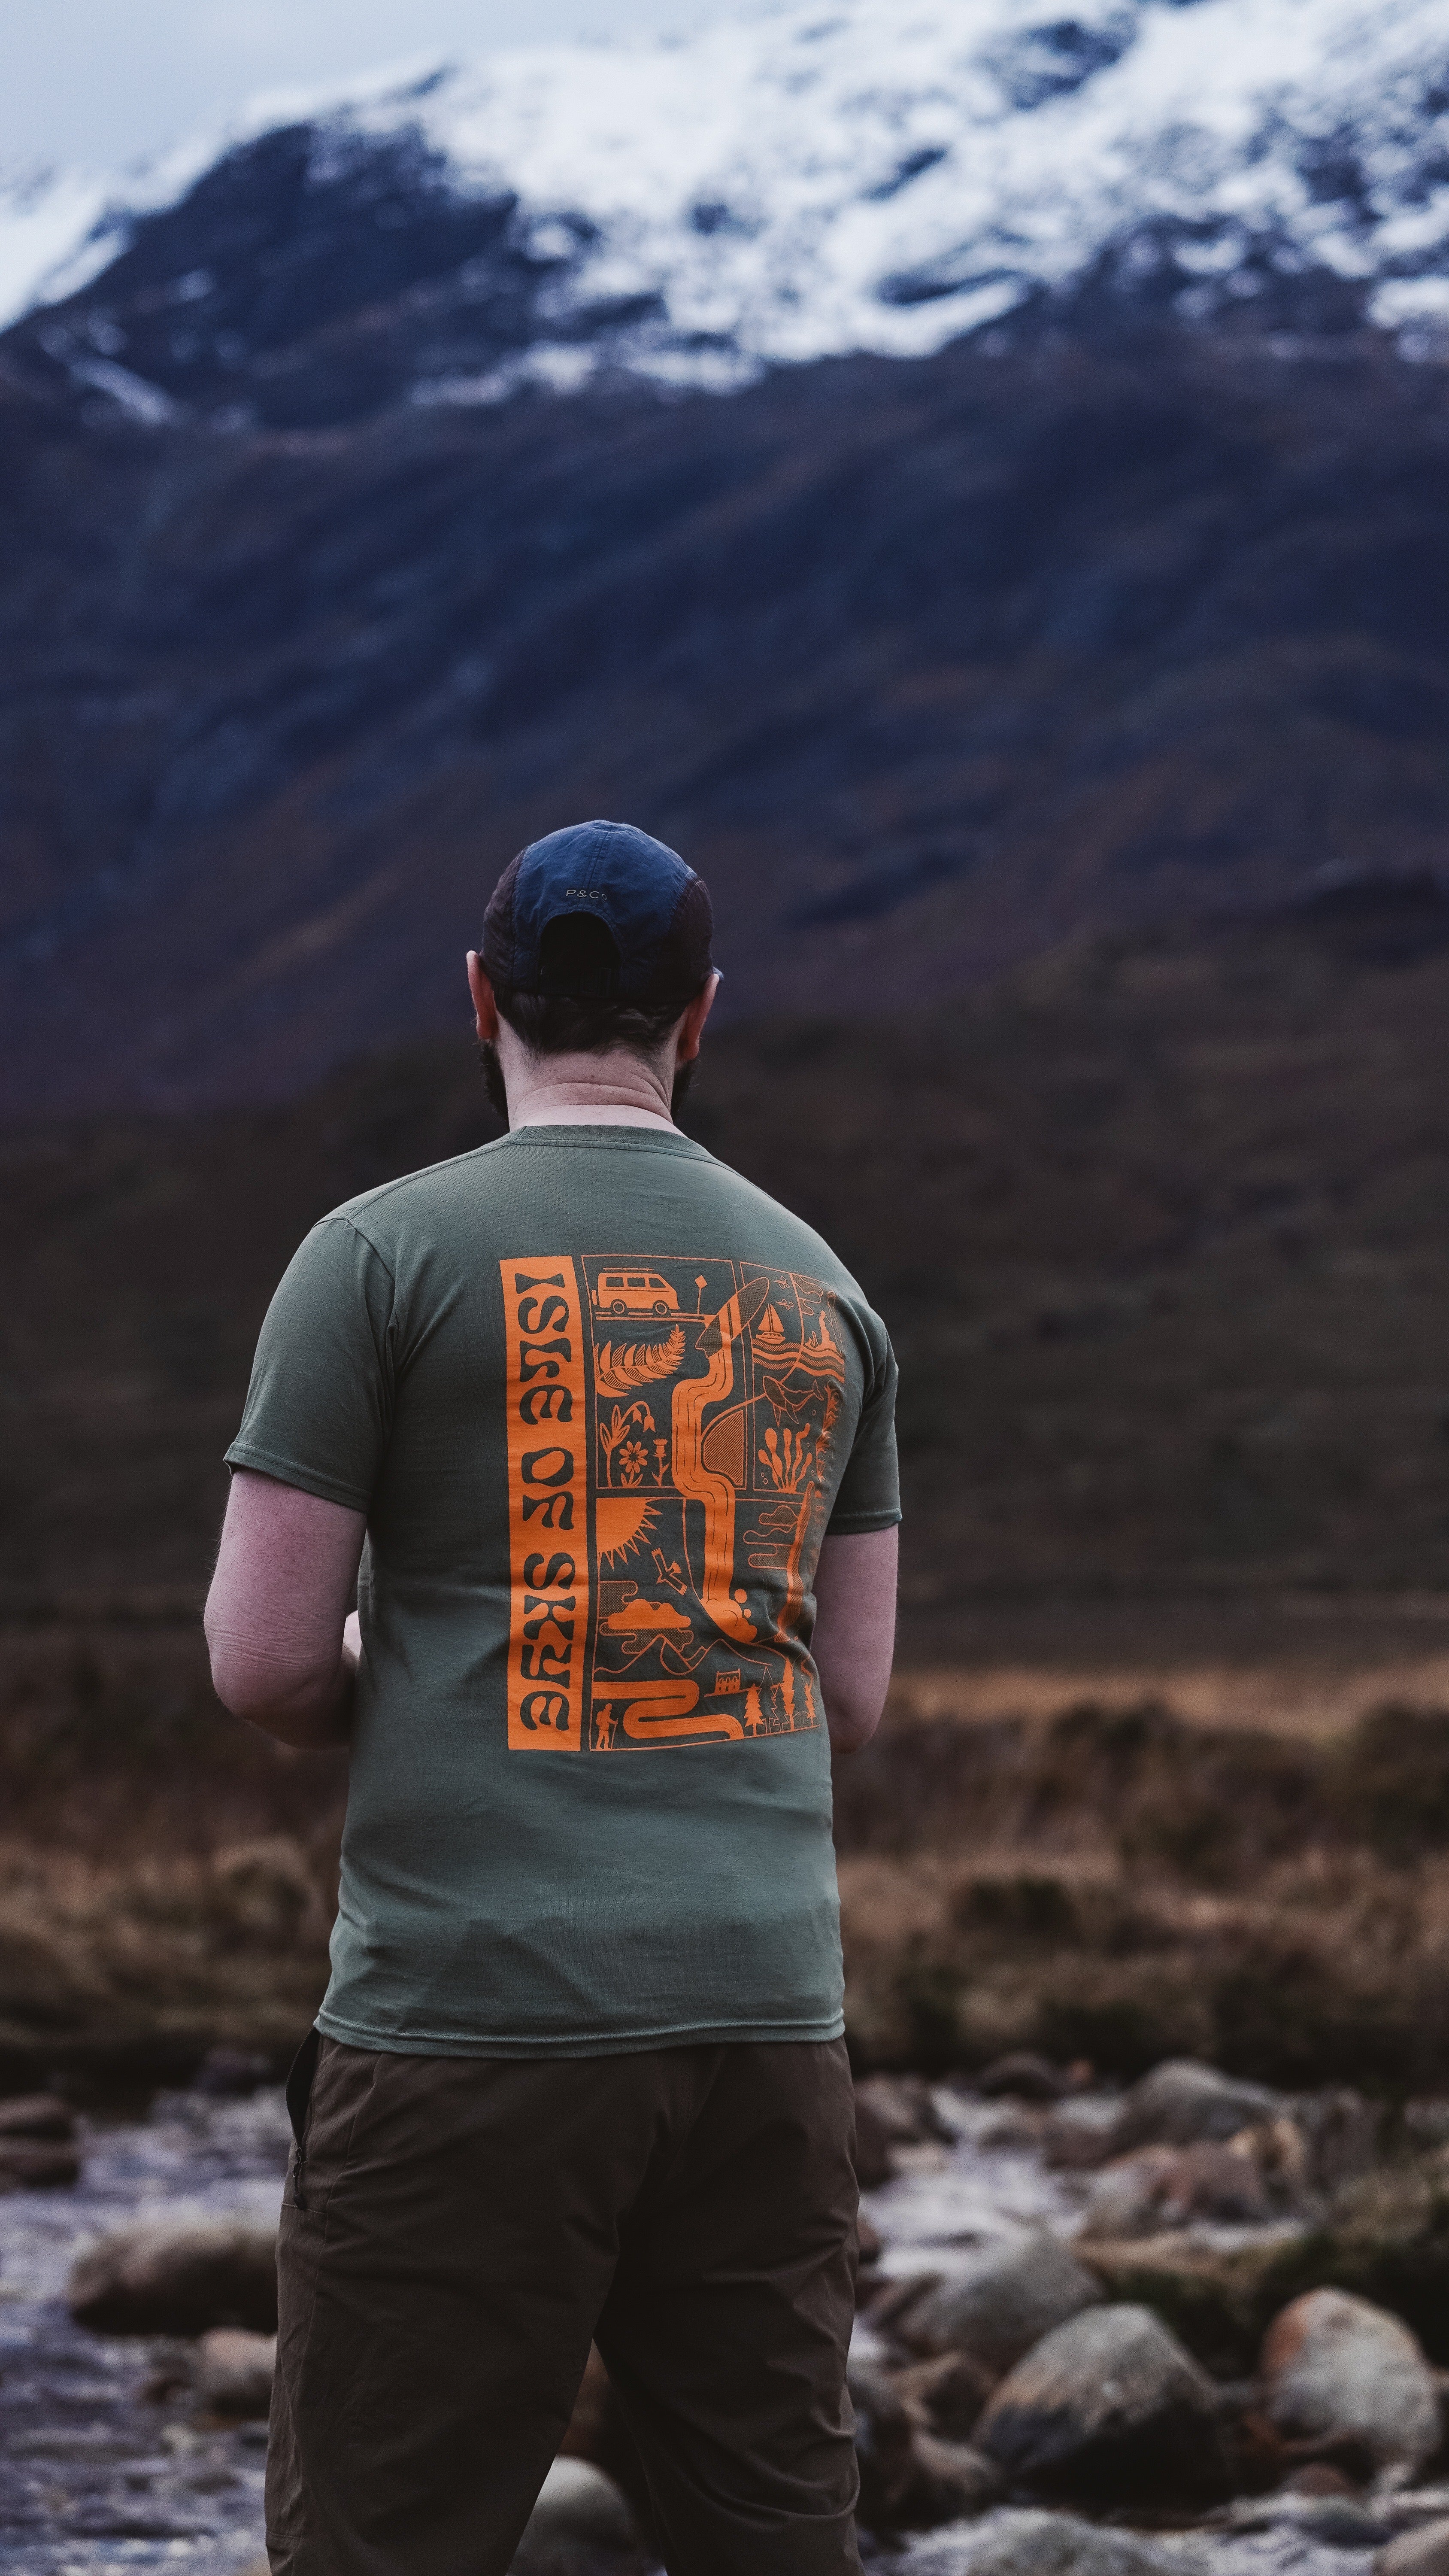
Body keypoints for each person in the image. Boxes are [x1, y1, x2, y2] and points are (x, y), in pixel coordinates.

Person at [205, 819, 900, 2576]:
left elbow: (265, 1661)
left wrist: (422, 1676)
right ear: (701, 1014)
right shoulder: (826, 1290)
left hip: (473, 2022)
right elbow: (849, 1694)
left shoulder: (374, 1256)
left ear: (478, 998)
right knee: (776, 2543)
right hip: (764, 2027)